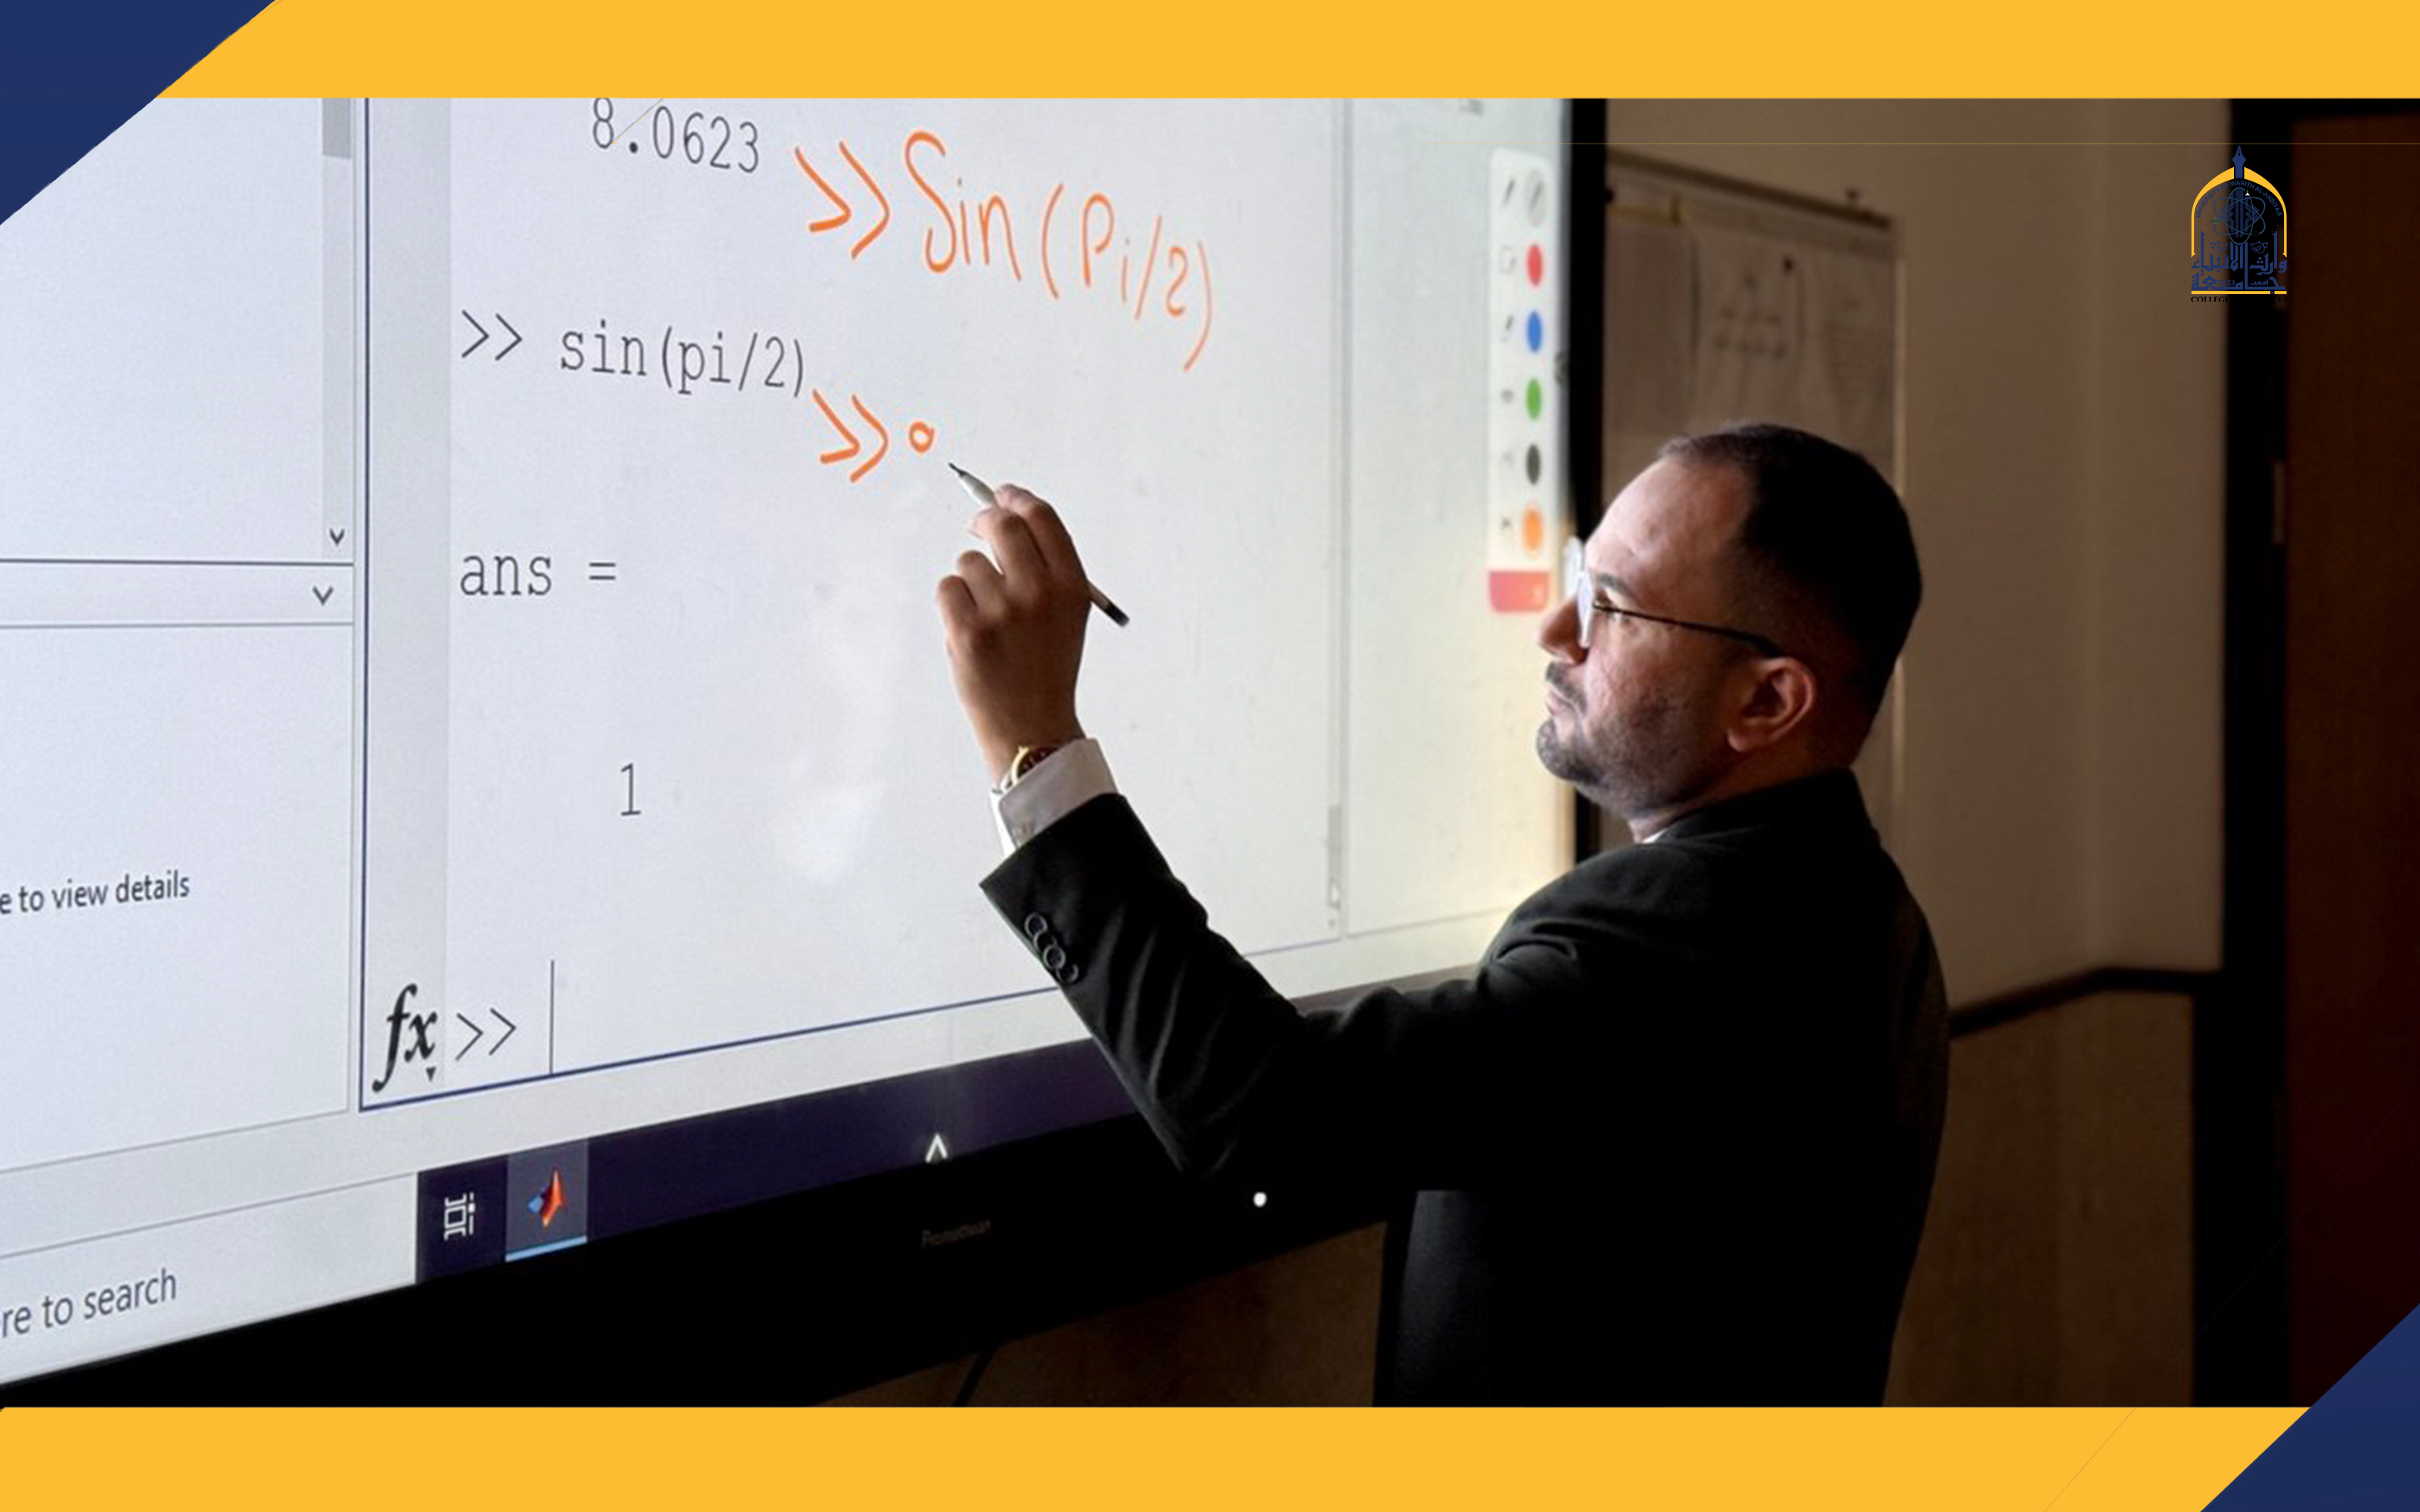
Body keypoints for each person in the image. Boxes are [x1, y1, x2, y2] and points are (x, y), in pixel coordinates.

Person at [932, 421, 1947, 1404]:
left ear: (1767, 703)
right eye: (1580, 576)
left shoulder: (1680, 944)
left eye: (1613, 607)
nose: (1556, 631)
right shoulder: (1867, 906)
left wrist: (1036, 747)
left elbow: (1260, 1114)